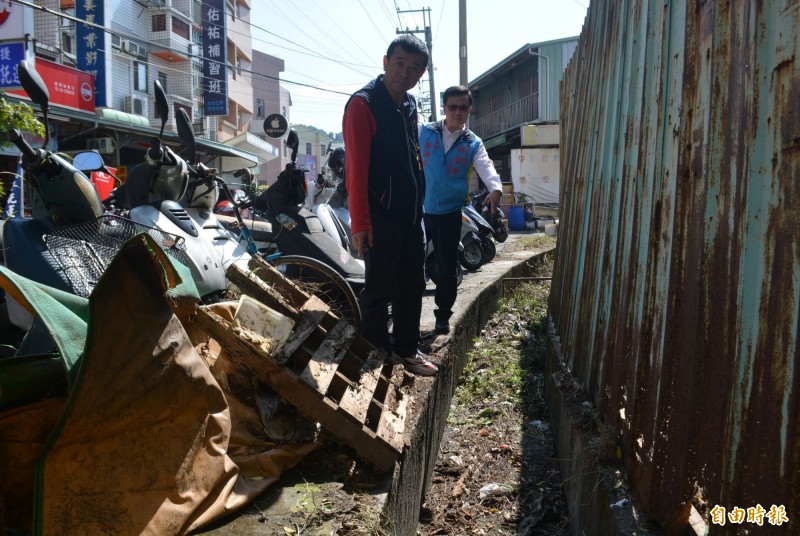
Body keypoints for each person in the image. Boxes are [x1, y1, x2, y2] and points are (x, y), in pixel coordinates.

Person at [342, 34, 438, 376]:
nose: (405, 72)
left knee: (413, 283)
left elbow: (412, 161)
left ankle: (407, 350)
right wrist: (360, 223)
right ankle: (376, 357)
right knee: (379, 288)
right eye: (400, 63)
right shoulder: (363, 105)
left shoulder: (409, 106)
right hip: (379, 215)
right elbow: (356, 168)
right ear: (386, 63)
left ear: (421, 74)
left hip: (411, 214)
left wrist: (421, 210)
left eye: (414, 68)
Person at [419, 85, 503, 335]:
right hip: (418, 211)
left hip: (449, 213)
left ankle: (442, 316)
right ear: (444, 107)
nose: (457, 112)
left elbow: (486, 167)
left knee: (446, 268)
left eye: (462, 107)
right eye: (452, 107)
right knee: (411, 265)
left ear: (469, 109)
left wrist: (495, 188)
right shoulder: (424, 132)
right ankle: (407, 321)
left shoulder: (472, 143)